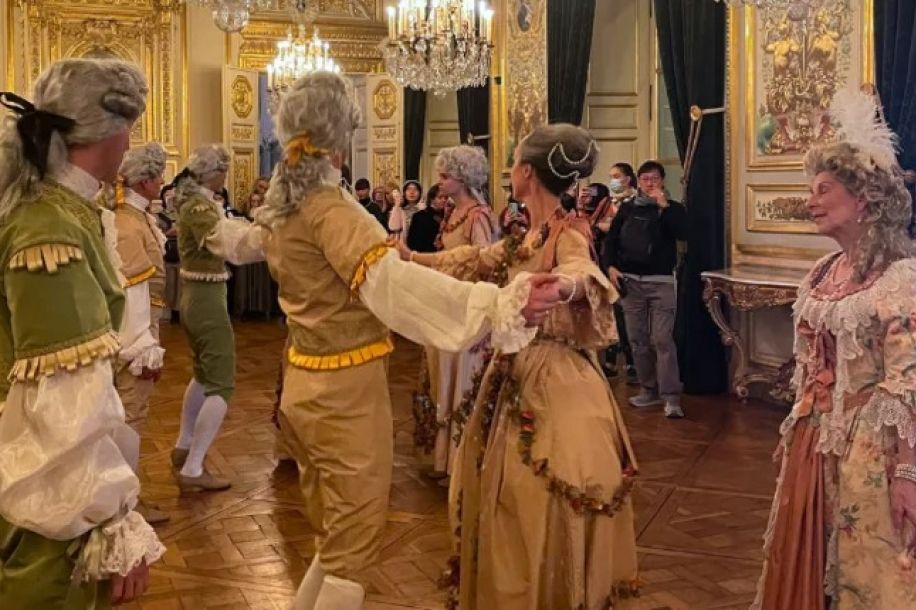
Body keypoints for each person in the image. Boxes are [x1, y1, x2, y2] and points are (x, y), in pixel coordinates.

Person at [256, 71, 565, 610]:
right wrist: (498, 304)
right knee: (354, 538)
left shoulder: (288, 208)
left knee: (336, 535)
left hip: (306, 381)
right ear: (340, 135)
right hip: (341, 393)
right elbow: (394, 289)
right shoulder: (331, 210)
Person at [401, 123, 640, 610]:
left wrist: (563, 289)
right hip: (510, 371)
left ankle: (547, 591)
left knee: (535, 496)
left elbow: (581, 272)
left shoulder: (567, 233)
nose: (509, 171)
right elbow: (473, 259)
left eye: (512, 163)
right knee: (501, 492)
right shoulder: (527, 235)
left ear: (526, 173)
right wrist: (409, 258)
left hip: (553, 377)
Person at [0, 58, 165, 608]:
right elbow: (65, 408)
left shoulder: (61, 211)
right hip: (45, 501)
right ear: (113, 133)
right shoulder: (50, 230)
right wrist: (116, 523)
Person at [753, 88, 916, 609]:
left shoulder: (899, 279)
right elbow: (808, 368)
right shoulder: (821, 273)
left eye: (824, 190)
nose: (812, 201)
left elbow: (908, 385)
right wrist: (796, 427)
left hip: (872, 451)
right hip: (813, 441)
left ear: (863, 200)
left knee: (872, 571)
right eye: (811, 190)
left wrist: (908, 473)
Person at [172, 144, 265, 493]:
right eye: (223, 170)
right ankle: (194, 467)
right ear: (212, 173)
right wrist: (269, 236)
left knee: (202, 374)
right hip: (205, 299)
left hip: (199, 296)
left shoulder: (198, 203)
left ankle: (184, 448)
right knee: (222, 383)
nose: (225, 176)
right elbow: (230, 247)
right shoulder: (199, 206)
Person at [416, 145, 498, 480]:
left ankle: (461, 460)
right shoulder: (452, 213)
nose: (440, 182)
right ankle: (445, 458)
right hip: (445, 304)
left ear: (462, 179)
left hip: (466, 308)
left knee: (460, 381)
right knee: (443, 379)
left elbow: (482, 259)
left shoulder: (478, 215)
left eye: (445, 176)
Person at [113, 142, 171, 525]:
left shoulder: (136, 218)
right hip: (135, 335)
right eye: (159, 175)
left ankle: (124, 496)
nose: (163, 181)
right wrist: (142, 347)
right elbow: (132, 292)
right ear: (147, 181)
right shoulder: (128, 224)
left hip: (143, 328)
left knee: (133, 413)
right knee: (131, 414)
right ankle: (125, 503)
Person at [602, 160, 687, 418]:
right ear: (638, 182)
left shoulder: (673, 209)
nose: (649, 183)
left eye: (654, 179)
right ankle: (648, 390)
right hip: (630, 282)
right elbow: (611, 241)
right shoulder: (627, 209)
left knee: (662, 339)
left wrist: (664, 207)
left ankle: (671, 397)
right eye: (645, 179)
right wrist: (610, 267)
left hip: (661, 282)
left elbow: (684, 233)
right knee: (637, 340)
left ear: (662, 181)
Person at [406, 183, 448, 254]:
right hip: (425, 255)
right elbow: (412, 243)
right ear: (432, 199)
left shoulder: (448, 215)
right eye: (440, 197)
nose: (444, 200)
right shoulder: (419, 216)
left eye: (446, 198)